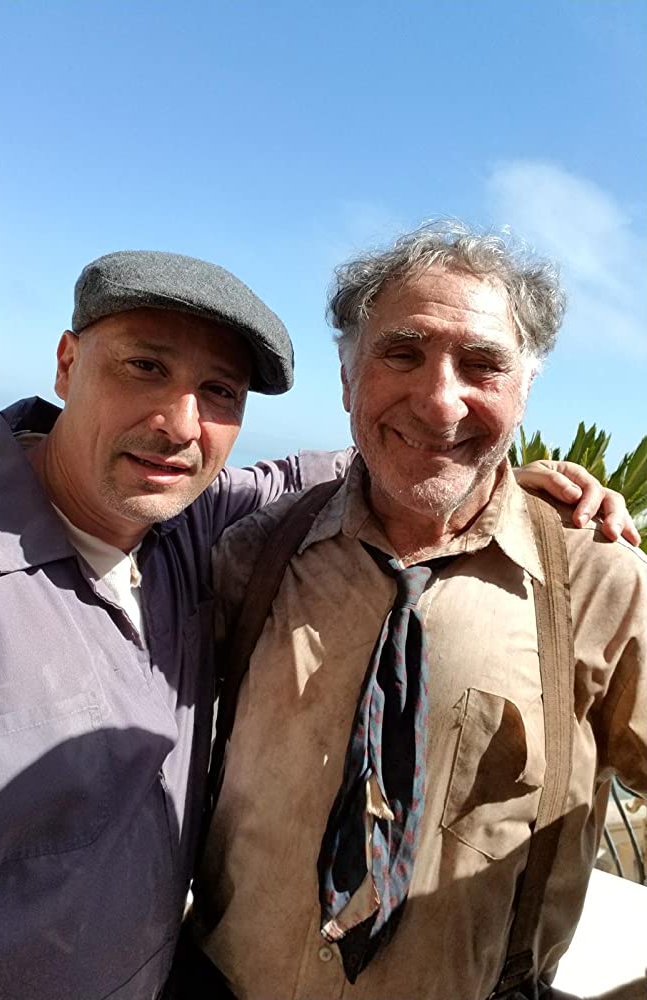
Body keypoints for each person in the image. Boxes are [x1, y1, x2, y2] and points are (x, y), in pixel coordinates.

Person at [0, 246, 633, 1000]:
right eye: (145, 367)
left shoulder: (197, 526)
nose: (179, 424)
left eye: (220, 390)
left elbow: (386, 453)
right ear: (66, 363)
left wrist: (492, 477)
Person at [189, 223, 647, 1000]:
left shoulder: (600, 586)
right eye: (401, 353)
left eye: (482, 364)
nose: (439, 402)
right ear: (347, 378)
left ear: (525, 387)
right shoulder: (257, 555)